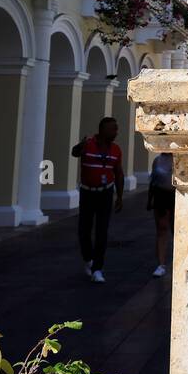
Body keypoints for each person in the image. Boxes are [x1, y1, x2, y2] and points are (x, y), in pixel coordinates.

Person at [72, 116, 124, 283]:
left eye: (116, 129)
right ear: (102, 130)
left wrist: (120, 196)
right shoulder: (88, 145)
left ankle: (98, 269)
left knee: (102, 232)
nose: (115, 132)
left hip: (105, 193)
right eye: (112, 129)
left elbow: (119, 173)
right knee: (84, 230)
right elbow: (74, 153)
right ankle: (88, 258)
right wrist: (81, 145)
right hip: (87, 193)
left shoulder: (116, 150)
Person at [146, 151, 175, 278]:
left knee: (177, 230)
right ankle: (161, 264)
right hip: (161, 195)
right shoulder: (157, 160)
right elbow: (153, 181)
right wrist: (149, 199)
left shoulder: (179, 158)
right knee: (161, 229)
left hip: (176, 195)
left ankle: (178, 260)